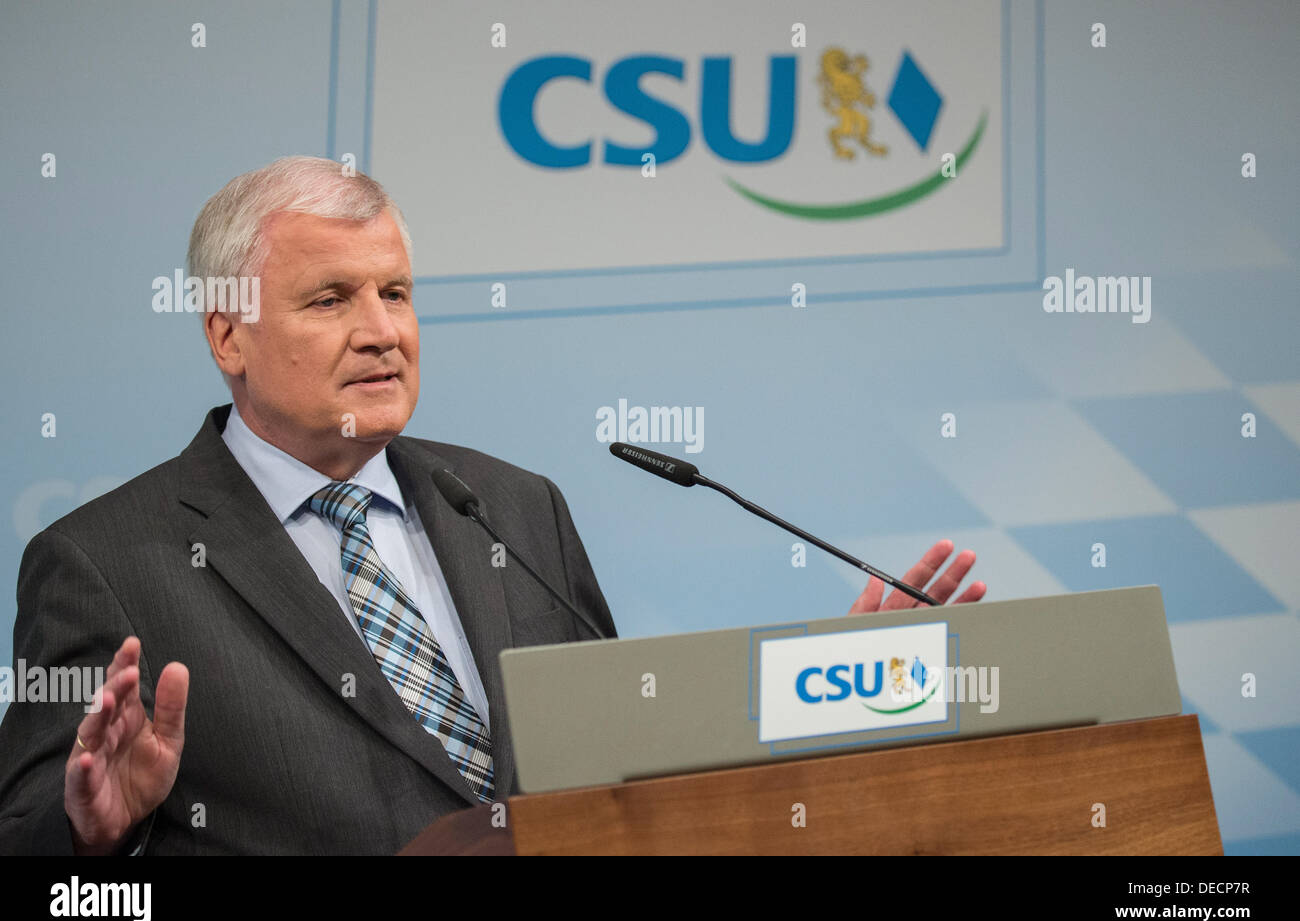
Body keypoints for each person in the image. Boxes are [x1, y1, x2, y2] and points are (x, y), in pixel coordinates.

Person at [0, 157, 985, 855]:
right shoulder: (106, 561)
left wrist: (836, 691)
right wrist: (95, 830)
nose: (383, 331)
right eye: (331, 299)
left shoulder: (512, 506)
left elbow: (622, 759)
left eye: (397, 292)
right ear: (228, 335)